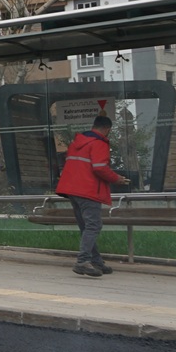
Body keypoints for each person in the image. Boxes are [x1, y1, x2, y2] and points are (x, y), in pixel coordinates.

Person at [56, 114, 127, 277]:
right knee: (94, 225)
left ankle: (95, 260)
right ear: (107, 129)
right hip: (88, 190)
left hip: (72, 190)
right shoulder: (99, 143)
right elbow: (100, 167)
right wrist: (117, 179)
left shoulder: (76, 143)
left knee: (86, 226)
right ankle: (83, 261)